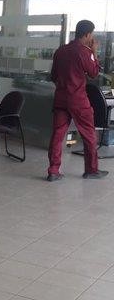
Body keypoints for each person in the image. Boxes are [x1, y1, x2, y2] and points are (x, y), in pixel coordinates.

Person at [47, 19, 107, 181]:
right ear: (87, 34)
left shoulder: (60, 51)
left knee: (58, 135)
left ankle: (53, 171)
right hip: (78, 100)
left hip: (60, 99)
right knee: (89, 134)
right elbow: (94, 73)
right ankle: (91, 170)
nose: (92, 38)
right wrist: (94, 52)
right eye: (92, 34)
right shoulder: (85, 52)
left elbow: (53, 76)